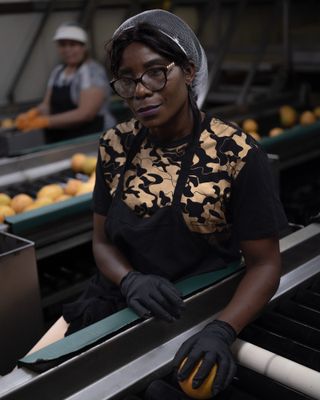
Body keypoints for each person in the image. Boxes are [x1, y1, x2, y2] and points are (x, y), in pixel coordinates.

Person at [27, 9, 288, 398]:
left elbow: (266, 264)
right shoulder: (114, 146)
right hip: (116, 300)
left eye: (155, 71)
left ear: (188, 70)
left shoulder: (235, 153)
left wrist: (222, 328)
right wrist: (129, 279)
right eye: (127, 80)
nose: (141, 90)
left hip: (197, 309)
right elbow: (102, 243)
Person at [15, 22, 116, 143]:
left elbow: (86, 114)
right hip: (64, 135)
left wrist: (45, 122)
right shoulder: (58, 72)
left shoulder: (92, 72)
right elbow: (47, 105)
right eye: (63, 45)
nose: (67, 49)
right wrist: (33, 114)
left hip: (93, 136)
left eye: (73, 45)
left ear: (83, 47)